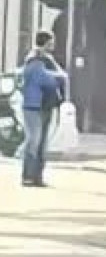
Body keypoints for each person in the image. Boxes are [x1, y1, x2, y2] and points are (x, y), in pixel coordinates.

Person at [18, 31, 67, 189]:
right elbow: (45, 79)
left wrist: (59, 77)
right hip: (34, 105)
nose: (53, 45)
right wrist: (59, 77)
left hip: (46, 105)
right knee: (34, 140)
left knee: (42, 143)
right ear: (45, 43)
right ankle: (28, 175)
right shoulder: (35, 59)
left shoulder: (48, 59)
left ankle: (37, 176)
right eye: (51, 42)